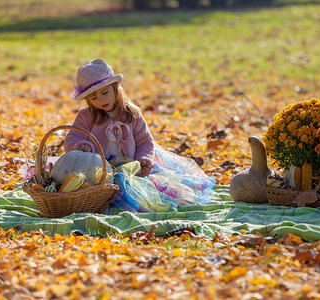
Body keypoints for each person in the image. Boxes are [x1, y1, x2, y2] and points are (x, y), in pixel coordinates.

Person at [65, 58, 215, 212]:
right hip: (100, 174)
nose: (101, 100)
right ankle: (132, 206)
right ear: (88, 100)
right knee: (113, 193)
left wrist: (143, 160)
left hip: (132, 170)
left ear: (115, 87)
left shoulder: (131, 113)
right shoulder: (86, 115)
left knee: (152, 189)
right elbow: (72, 138)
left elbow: (145, 141)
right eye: (94, 97)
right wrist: (79, 145)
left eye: (105, 93)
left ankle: (144, 204)